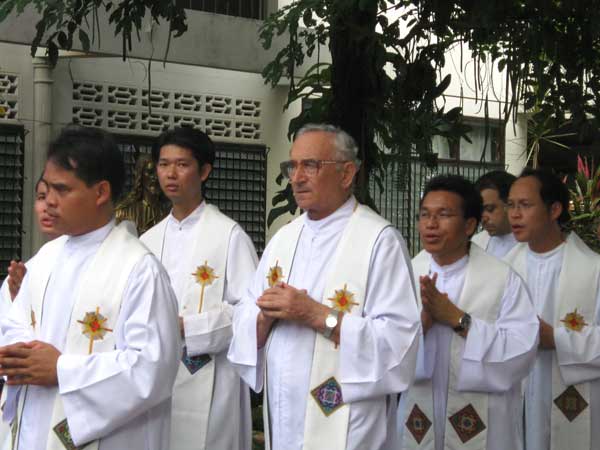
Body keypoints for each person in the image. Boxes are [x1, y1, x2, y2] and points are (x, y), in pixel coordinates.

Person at [228, 123, 421, 450]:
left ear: (347, 174)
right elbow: (246, 314)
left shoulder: (379, 241)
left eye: (311, 165)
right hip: (284, 415)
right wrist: (263, 319)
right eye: (292, 166)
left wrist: (316, 314)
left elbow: (399, 342)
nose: (297, 177)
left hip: (347, 420)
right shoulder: (284, 238)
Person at [0, 126, 180, 450]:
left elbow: (153, 370)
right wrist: (19, 355)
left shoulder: (140, 270)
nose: (49, 201)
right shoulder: (44, 258)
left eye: (62, 190)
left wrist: (61, 370)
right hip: (32, 427)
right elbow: (13, 323)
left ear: (100, 192)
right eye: (46, 190)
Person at [399, 174, 538, 450]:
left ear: (469, 225)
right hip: (418, 414)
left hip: (484, 421)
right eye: (425, 214)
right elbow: (384, 346)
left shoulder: (502, 279)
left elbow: (522, 351)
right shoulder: (406, 274)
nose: (431, 224)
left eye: (444, 215)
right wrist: (421, 326)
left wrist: (458, 319)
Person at [140, 127, 257, 450]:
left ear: (204, 171)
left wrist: (188, 327)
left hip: (213, 379)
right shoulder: (146, 242)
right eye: (163, 164)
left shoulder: (229, 236)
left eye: (182, 164)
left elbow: (249, 313)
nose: (170, 174)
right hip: (158, 379)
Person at [505, 169, 600, 450]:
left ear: (555, 209)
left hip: (573, 400)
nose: (514, 215)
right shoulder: (502, 270)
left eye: (525, 205)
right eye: (511, 205)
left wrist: (557, 338)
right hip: (518, 395)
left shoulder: (593, 270)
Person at [471, 170, 518, 258]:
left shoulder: (534, 246)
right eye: (479, 210)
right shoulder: (476, 243)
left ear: (510, 204)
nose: (483, 218)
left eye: (490, 209)